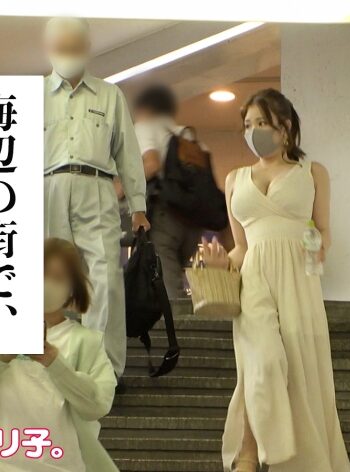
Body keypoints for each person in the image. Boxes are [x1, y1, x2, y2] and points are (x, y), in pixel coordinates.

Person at [201, 88, 350, 472]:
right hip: (254, 277)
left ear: (284, 127)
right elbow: (241, 247)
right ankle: (251, 452)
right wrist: (219, 264)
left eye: (262, 123)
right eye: (247, 125)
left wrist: (318, 247)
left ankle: (275, 459)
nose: (253, 131)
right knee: (262, 363)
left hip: (298, 275)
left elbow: (324, 230)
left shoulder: (312, 172)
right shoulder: (235, 179)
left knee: (300, 370)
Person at [43, 17, 150, 378]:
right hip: (48, 187)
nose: (68, 54)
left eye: (75, 47)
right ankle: (46, 365)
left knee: (104, 279)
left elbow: (128, 153)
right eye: (61, 47)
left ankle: (103, 371)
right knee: (47, 279)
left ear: (87, 49)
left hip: (97, 186)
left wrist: (138, 206)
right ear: (49, 49)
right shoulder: (32, 96)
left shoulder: (109, 95)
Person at [0, 238, 118, 472]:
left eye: (57, 278)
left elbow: (98, 405)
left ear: (72, 288)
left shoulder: (87, 342)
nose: (46, 284)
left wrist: (55, 363)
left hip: (61, 464)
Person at [130, 85, 203, 299]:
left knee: (169, 291)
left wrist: (117, 189)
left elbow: (152, 164)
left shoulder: (145, 127)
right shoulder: (187, 136)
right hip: (193, 222)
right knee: (170, 280)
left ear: (144, 108)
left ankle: (176, 320)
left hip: (165, 218)